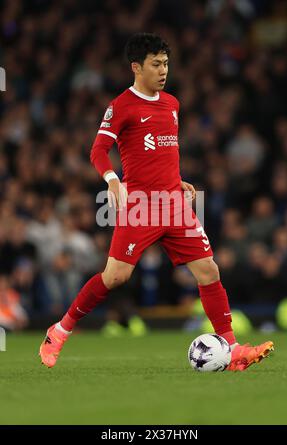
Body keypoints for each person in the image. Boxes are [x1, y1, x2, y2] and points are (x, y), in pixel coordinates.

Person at [39, 33, 274, 371]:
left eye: (166, 63)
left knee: (209, 271)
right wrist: (112, 180)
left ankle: (233, 350)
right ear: (137, 67)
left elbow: (155, 153)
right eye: (156, 64)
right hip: (140, 207)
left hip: (175, 203)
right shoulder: (121, 106)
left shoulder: (172, 104)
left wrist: (175, 181)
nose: (163, 70)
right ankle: (59, 331)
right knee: (116, 277)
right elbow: (98, 151)